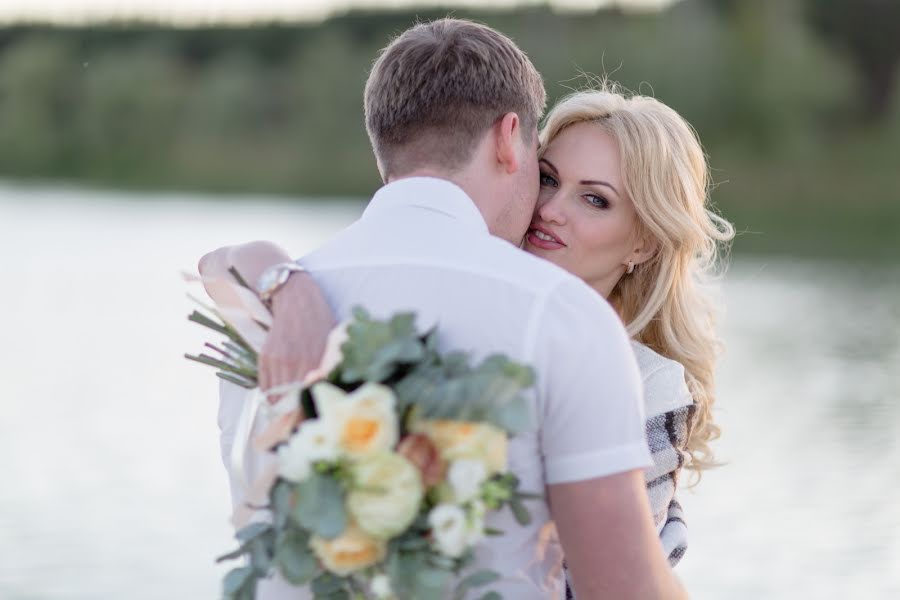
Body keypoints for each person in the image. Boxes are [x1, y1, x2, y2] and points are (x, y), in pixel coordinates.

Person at [203, 18, 688, 599]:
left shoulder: (256, 314)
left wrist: (281, 277)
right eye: (548, 172)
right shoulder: (562, 320)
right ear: (511, 138)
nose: (549, 207)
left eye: (592, 198)